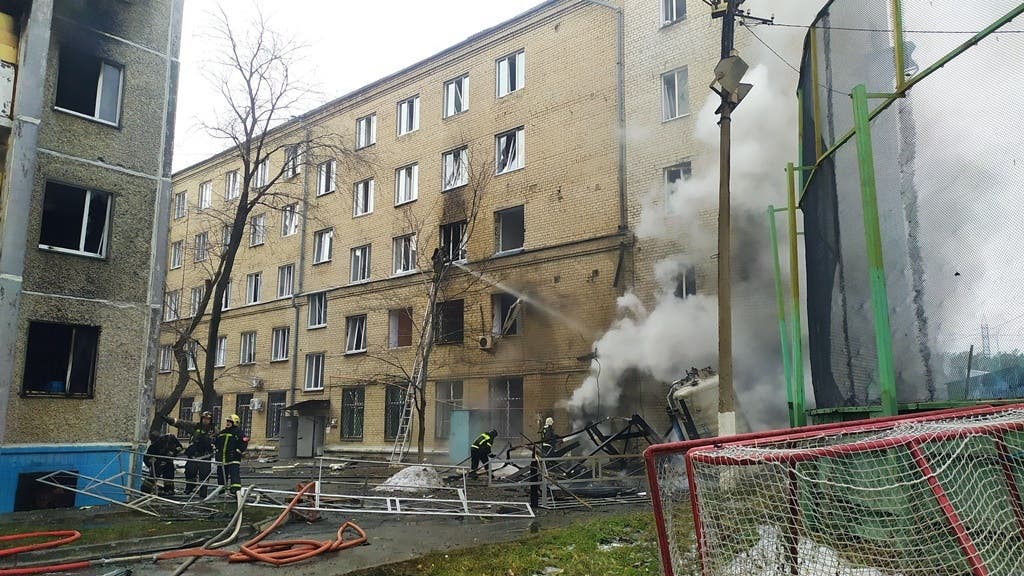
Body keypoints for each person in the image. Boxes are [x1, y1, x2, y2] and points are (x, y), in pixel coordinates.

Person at [163, 411, 217, 498]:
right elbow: (182, 424)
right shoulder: (196, 426)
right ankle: (189, 489)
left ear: (210, 420)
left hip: (205, 457)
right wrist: (169, 420)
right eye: (204, 418)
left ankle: (203, 494)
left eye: (207, 419)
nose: (205, 420)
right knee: (189, 472)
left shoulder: (214, 430)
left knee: (204, 476)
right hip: (193, 456)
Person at [215, 414, 249, 495]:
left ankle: (235, 489)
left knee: (234, 474)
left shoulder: (238, 432)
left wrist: (238, 451)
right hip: (222, 458)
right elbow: (217, 442)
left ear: (235, 422)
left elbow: (244, 442)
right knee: (221, 474)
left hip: (233, 458)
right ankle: (221, 488)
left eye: (230, 421)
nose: (228, 423)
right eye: (227, 421)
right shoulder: (222, 432)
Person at [143, 432, 183, 496]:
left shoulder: (170, 439)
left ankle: (169, 490)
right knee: (153, 476)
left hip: (168, 462)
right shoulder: (153, 447)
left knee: (169, 477)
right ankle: (145, 490)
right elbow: (146, 458)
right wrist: (154, 463)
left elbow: (180, 448)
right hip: (159, 463)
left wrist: (173, 452)